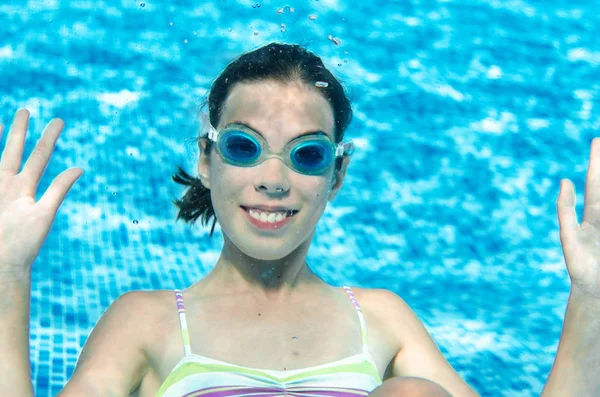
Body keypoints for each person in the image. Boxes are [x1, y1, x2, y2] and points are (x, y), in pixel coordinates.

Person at [0, 42, 598, 397]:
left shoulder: (380, 317)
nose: (274, 178)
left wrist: (591, 297)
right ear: (206, 159)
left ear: (336, 175)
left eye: (307, 154)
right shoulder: (145, 319)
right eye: (242, 146)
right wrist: (8, 271)